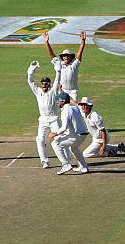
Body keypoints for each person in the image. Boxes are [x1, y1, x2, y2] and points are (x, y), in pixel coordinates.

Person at [27, 36, 62, 169]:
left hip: (54, 119)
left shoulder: (53, 91)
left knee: (58, 139)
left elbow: (58, 77)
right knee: (40, 139)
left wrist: (57, 67)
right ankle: (44, 160)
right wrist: (32, 70)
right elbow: (30, 81)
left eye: (46, 83)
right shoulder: (38, 91)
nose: (44, 85)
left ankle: (65, 160)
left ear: (50, 84)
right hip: (43, 120)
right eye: (43, 83)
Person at [48, 92, 90, 175]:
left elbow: (64, 127)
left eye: (58, 101)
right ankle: (84, 167)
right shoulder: (75, 107)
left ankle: (66, 165)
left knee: (55, 143)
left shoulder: (65, 111)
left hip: (76, 136)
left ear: (63, 101)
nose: (57, 102)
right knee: (74, 148)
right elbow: (73, 124)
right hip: (82, 135)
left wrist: (55, 134)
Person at [44, 31, 86, 101]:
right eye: (64, 56)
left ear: (71, 57)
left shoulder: (74, 65)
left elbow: (80, 53)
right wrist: (46, 42)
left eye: (68, 55)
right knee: (63, 109)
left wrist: (83, 41)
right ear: (62, 57)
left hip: (73, 91)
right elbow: (51, 54)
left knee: (73, 108)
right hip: (62, 90)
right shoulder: (59, 64)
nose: (66, 57)